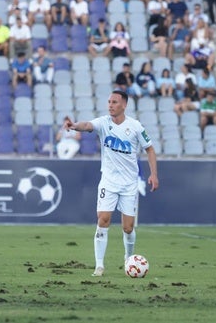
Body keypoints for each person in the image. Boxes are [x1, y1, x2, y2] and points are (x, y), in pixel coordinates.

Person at [63, 90, 159, 277]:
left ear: (124, 105)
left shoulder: (135, 127)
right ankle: (99, 265)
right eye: (109, 101)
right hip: (108, 181)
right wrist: (74, 125)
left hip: (129, 184)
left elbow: (150, 149)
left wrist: (153, 174)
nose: (110, 105)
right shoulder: (104, 122)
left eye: (114, 102)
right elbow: (87, 125)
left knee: (128, 227)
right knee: (103, 219)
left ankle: (128, 260)